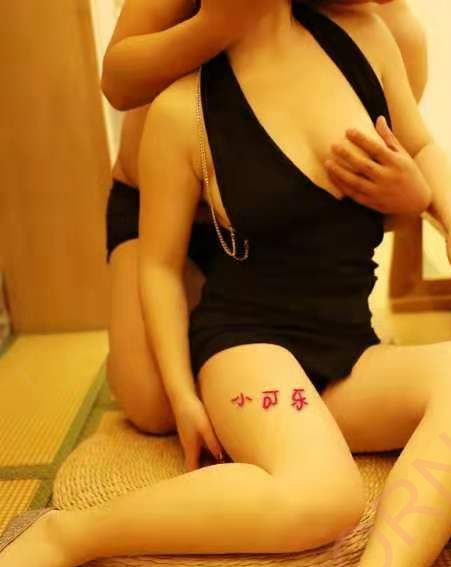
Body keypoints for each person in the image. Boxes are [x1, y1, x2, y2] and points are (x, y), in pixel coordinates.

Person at [0, 1, 451, 567]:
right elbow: (159, 267)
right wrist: (183, 393)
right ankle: (57, 537)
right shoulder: (183, 106)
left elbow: (420, 142)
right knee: (325, 495)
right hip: (248, 349)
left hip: (348, 350)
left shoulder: (364, 38)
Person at [102, 0, 431, 447]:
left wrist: (414, 200)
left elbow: (385, 184)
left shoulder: (382, 32)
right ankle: (143, 343)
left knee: (308, 374)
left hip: (280, 227)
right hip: (160, 209)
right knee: (154, 405)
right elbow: (117, 84)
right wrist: (218, 26)